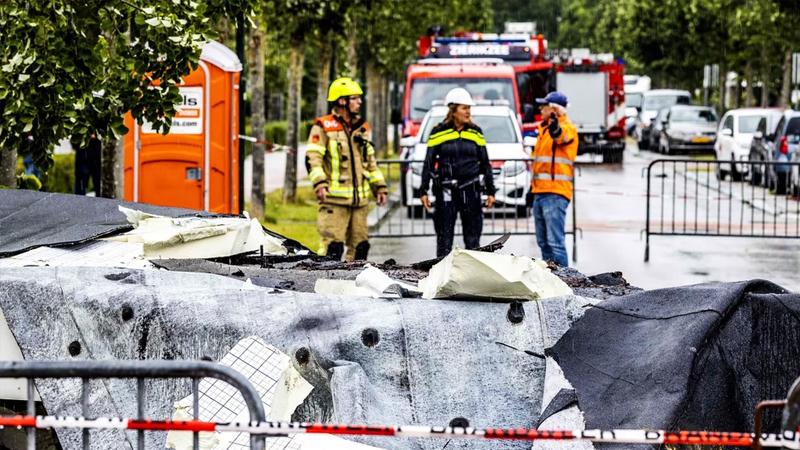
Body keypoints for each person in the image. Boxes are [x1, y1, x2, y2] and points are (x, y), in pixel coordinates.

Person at [306, 77, 388, 261]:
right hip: (334, 202)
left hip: (359, 202)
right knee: (332, 250)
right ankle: (324, 285)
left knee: (360, 248)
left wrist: (380, 187)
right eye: (355, 98)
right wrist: (319, 183)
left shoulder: (361, 127)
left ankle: (353, 286)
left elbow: (370, 162)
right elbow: (313, 158)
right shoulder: (323, 126)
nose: (360, 102)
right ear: (342, 100)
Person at [420, 88, 496, 257]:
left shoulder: (476, 132)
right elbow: (429, 163)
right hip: (446, 191)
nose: (468, 112)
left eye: (469, 108)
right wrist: (423, 190)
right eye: (464, 108)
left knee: (473, 240)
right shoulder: (438, 131)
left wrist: (491, 191)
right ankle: (442, 275)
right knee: (444, 239)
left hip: (471, 190)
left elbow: (485, 163)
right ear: (453, 110)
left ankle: (473, 277)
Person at [530, 91, 578, 267]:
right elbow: (540, 165)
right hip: (540, 192)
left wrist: (555, 124)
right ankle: (550, 279)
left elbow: (560, 136)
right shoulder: (543, 130)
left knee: (555, 244)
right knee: (544, 243)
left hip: (555, 193)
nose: (540, 109)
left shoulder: (566, 128)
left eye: (545, 106)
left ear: (554, 110)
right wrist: (531, 190)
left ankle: (566, 282)